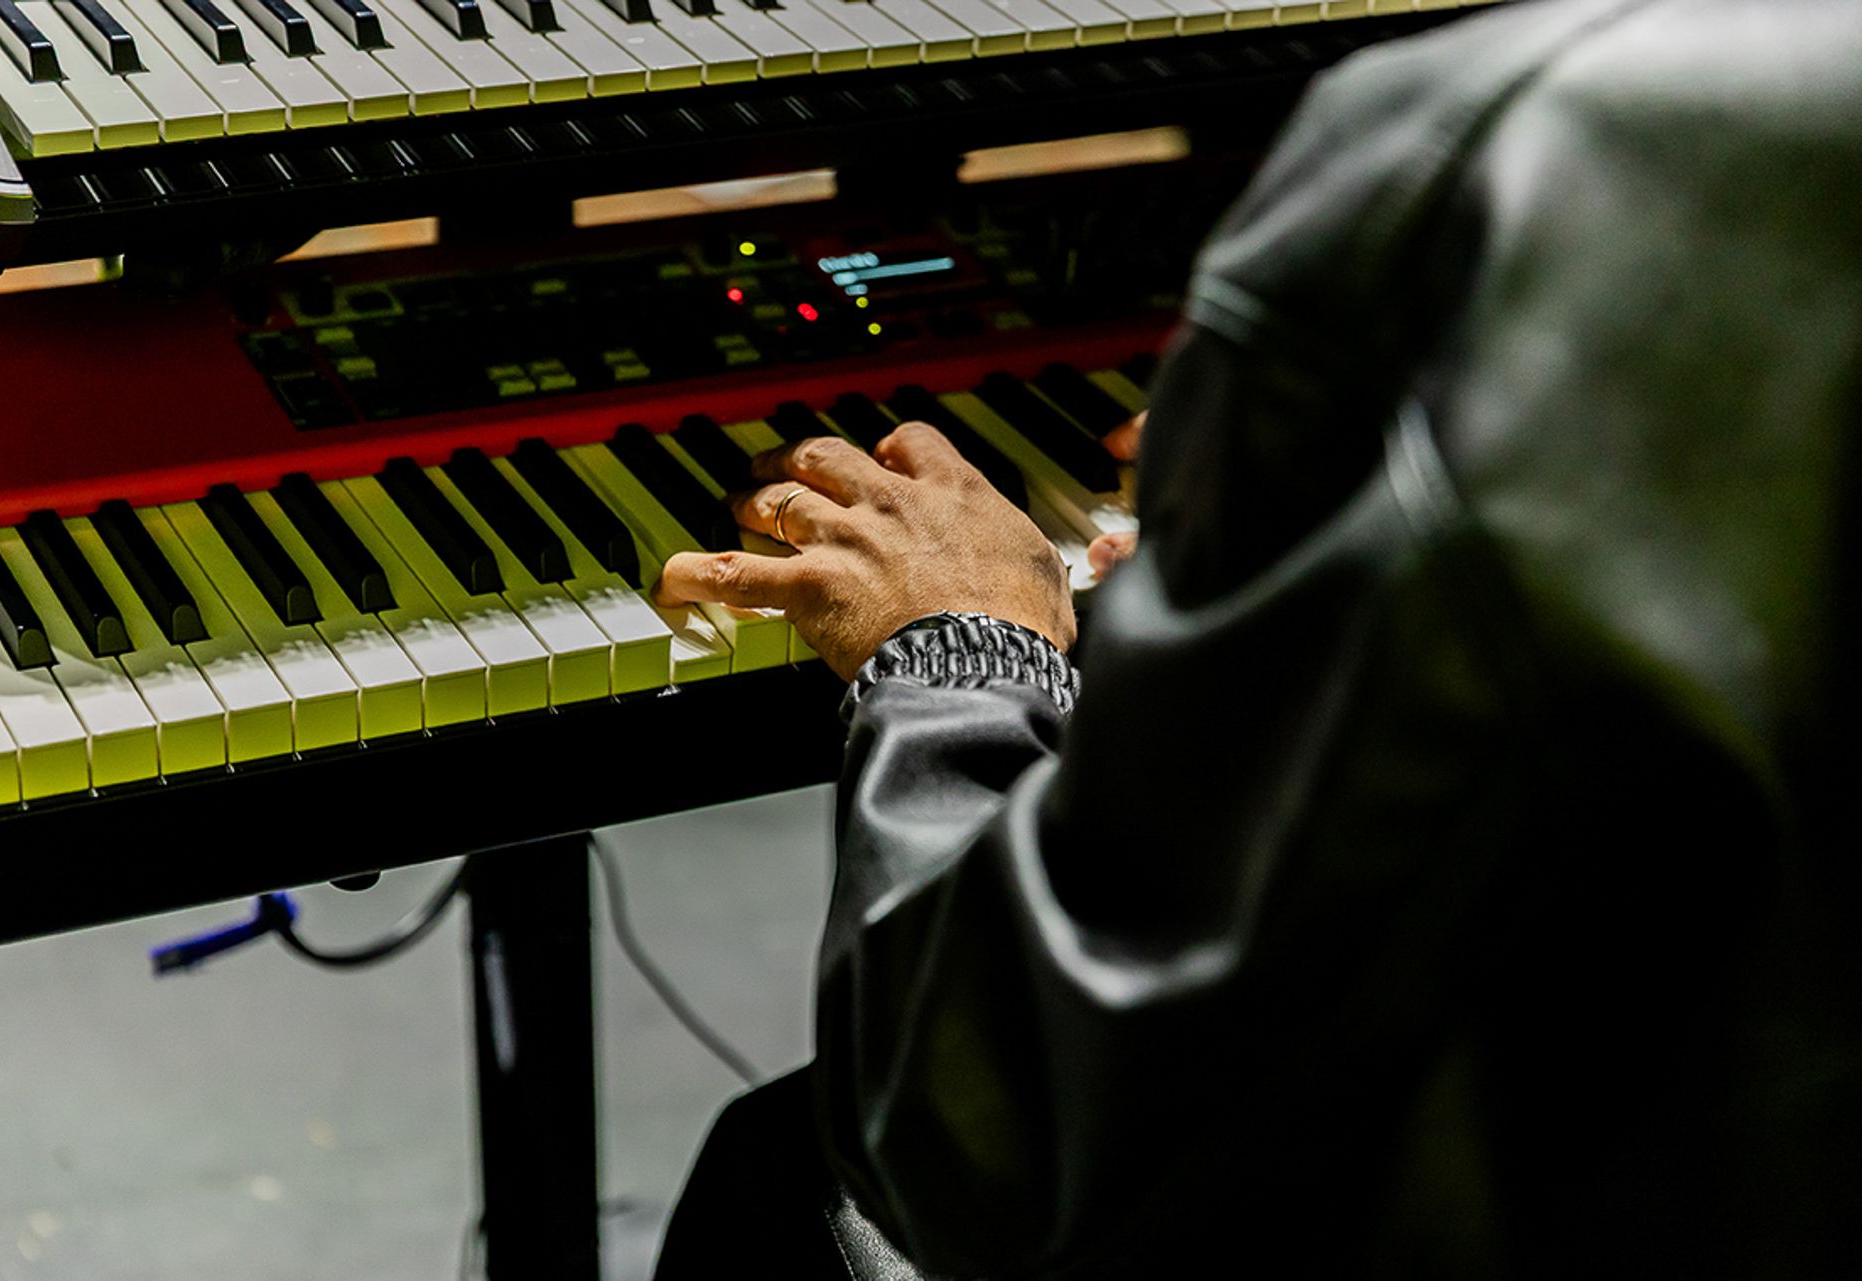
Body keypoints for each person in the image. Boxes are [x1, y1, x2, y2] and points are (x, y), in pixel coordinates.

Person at [652, 0, 1862, 1275]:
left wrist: (962, 652)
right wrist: (1290, 612)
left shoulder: (1524, 137)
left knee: (783, 1162)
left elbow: (982, 1134)